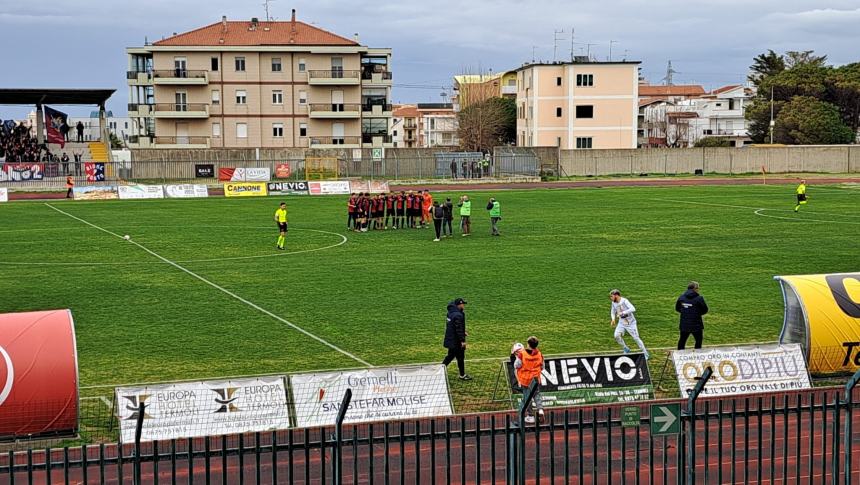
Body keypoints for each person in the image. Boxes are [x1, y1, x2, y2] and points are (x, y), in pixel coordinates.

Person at [512, 336, 545, 424]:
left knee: (527, 398)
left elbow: (516, 365)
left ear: (528, 344)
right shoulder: (539, 354)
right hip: (536, 379)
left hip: (525, 380)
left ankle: (530, 416)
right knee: (537, 394)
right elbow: (542, 367)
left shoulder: (522, 354)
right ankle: (540, 410)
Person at [610, 290, 649, 360]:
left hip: (631, 323)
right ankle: (625, 348)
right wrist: (613, 319)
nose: (611, 298)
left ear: (616, 295)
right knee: (616, 336)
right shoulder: (613, 303)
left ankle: (645, 353)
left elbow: (633, 309)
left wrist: (622, 313)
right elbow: (613, 312)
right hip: (621, 323)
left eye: (612, 296)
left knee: (636, 338)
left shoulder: (625, 301)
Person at [442, 298, 472, 380]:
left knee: (451, 356)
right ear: (459, 305)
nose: (464, 306)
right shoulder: (458, 315)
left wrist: (463, 331)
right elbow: (458, 328)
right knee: (459, 357)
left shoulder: (450, 313)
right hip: (456, 341)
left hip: (451, 339)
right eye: (463, 304)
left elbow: (453, 326)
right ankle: (462, 375)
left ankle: (441, 369)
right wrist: (462, 341)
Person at [676, 281, 709, 350]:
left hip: (684, 323)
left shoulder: (681, 297)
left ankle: (679, 356)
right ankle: (697, 356)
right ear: (695, 289)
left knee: (682, 340)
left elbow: (677, 308)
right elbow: (705, 309)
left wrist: (686, 312)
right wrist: (696, 314)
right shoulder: (699, 298)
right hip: (696, 324)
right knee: (698, 340)